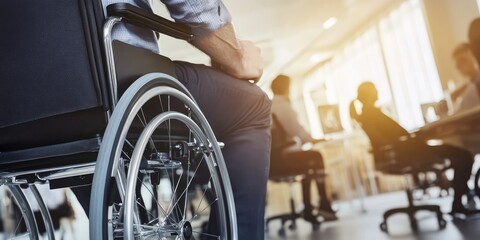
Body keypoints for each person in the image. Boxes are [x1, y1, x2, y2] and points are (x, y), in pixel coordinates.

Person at [74, 1, 272, 239]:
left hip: (37, 113)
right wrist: (238, 57)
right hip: (118, 79)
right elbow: (193, 7)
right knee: (253, 105)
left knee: (76, 140)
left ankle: (123, 227)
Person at [351, 82, 478, 216]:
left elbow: (396, 135)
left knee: (458, 154)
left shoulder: (368, 114)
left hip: (403, 152)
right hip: (408, 153)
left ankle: (459, 200)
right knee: (463, 156)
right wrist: (424, 133)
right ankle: (457, 203)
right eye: (375, 90)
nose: (377, 92)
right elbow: (400, 135)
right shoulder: (374, 114)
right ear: (369, 94)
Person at [270, 75, 337, 223]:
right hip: (284, 157)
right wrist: (313, 139)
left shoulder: (271, 105)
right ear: (286, 88)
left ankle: (310, 208)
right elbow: (296, 131)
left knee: (309, 165)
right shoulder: (282, 106)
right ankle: (322, 204)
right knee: (316, 157)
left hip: (274, 160)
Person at [449, 43, 480, 113]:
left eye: (463, 61)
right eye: (457, 64)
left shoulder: (474, 88)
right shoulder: (469, 84)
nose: (458, 67)